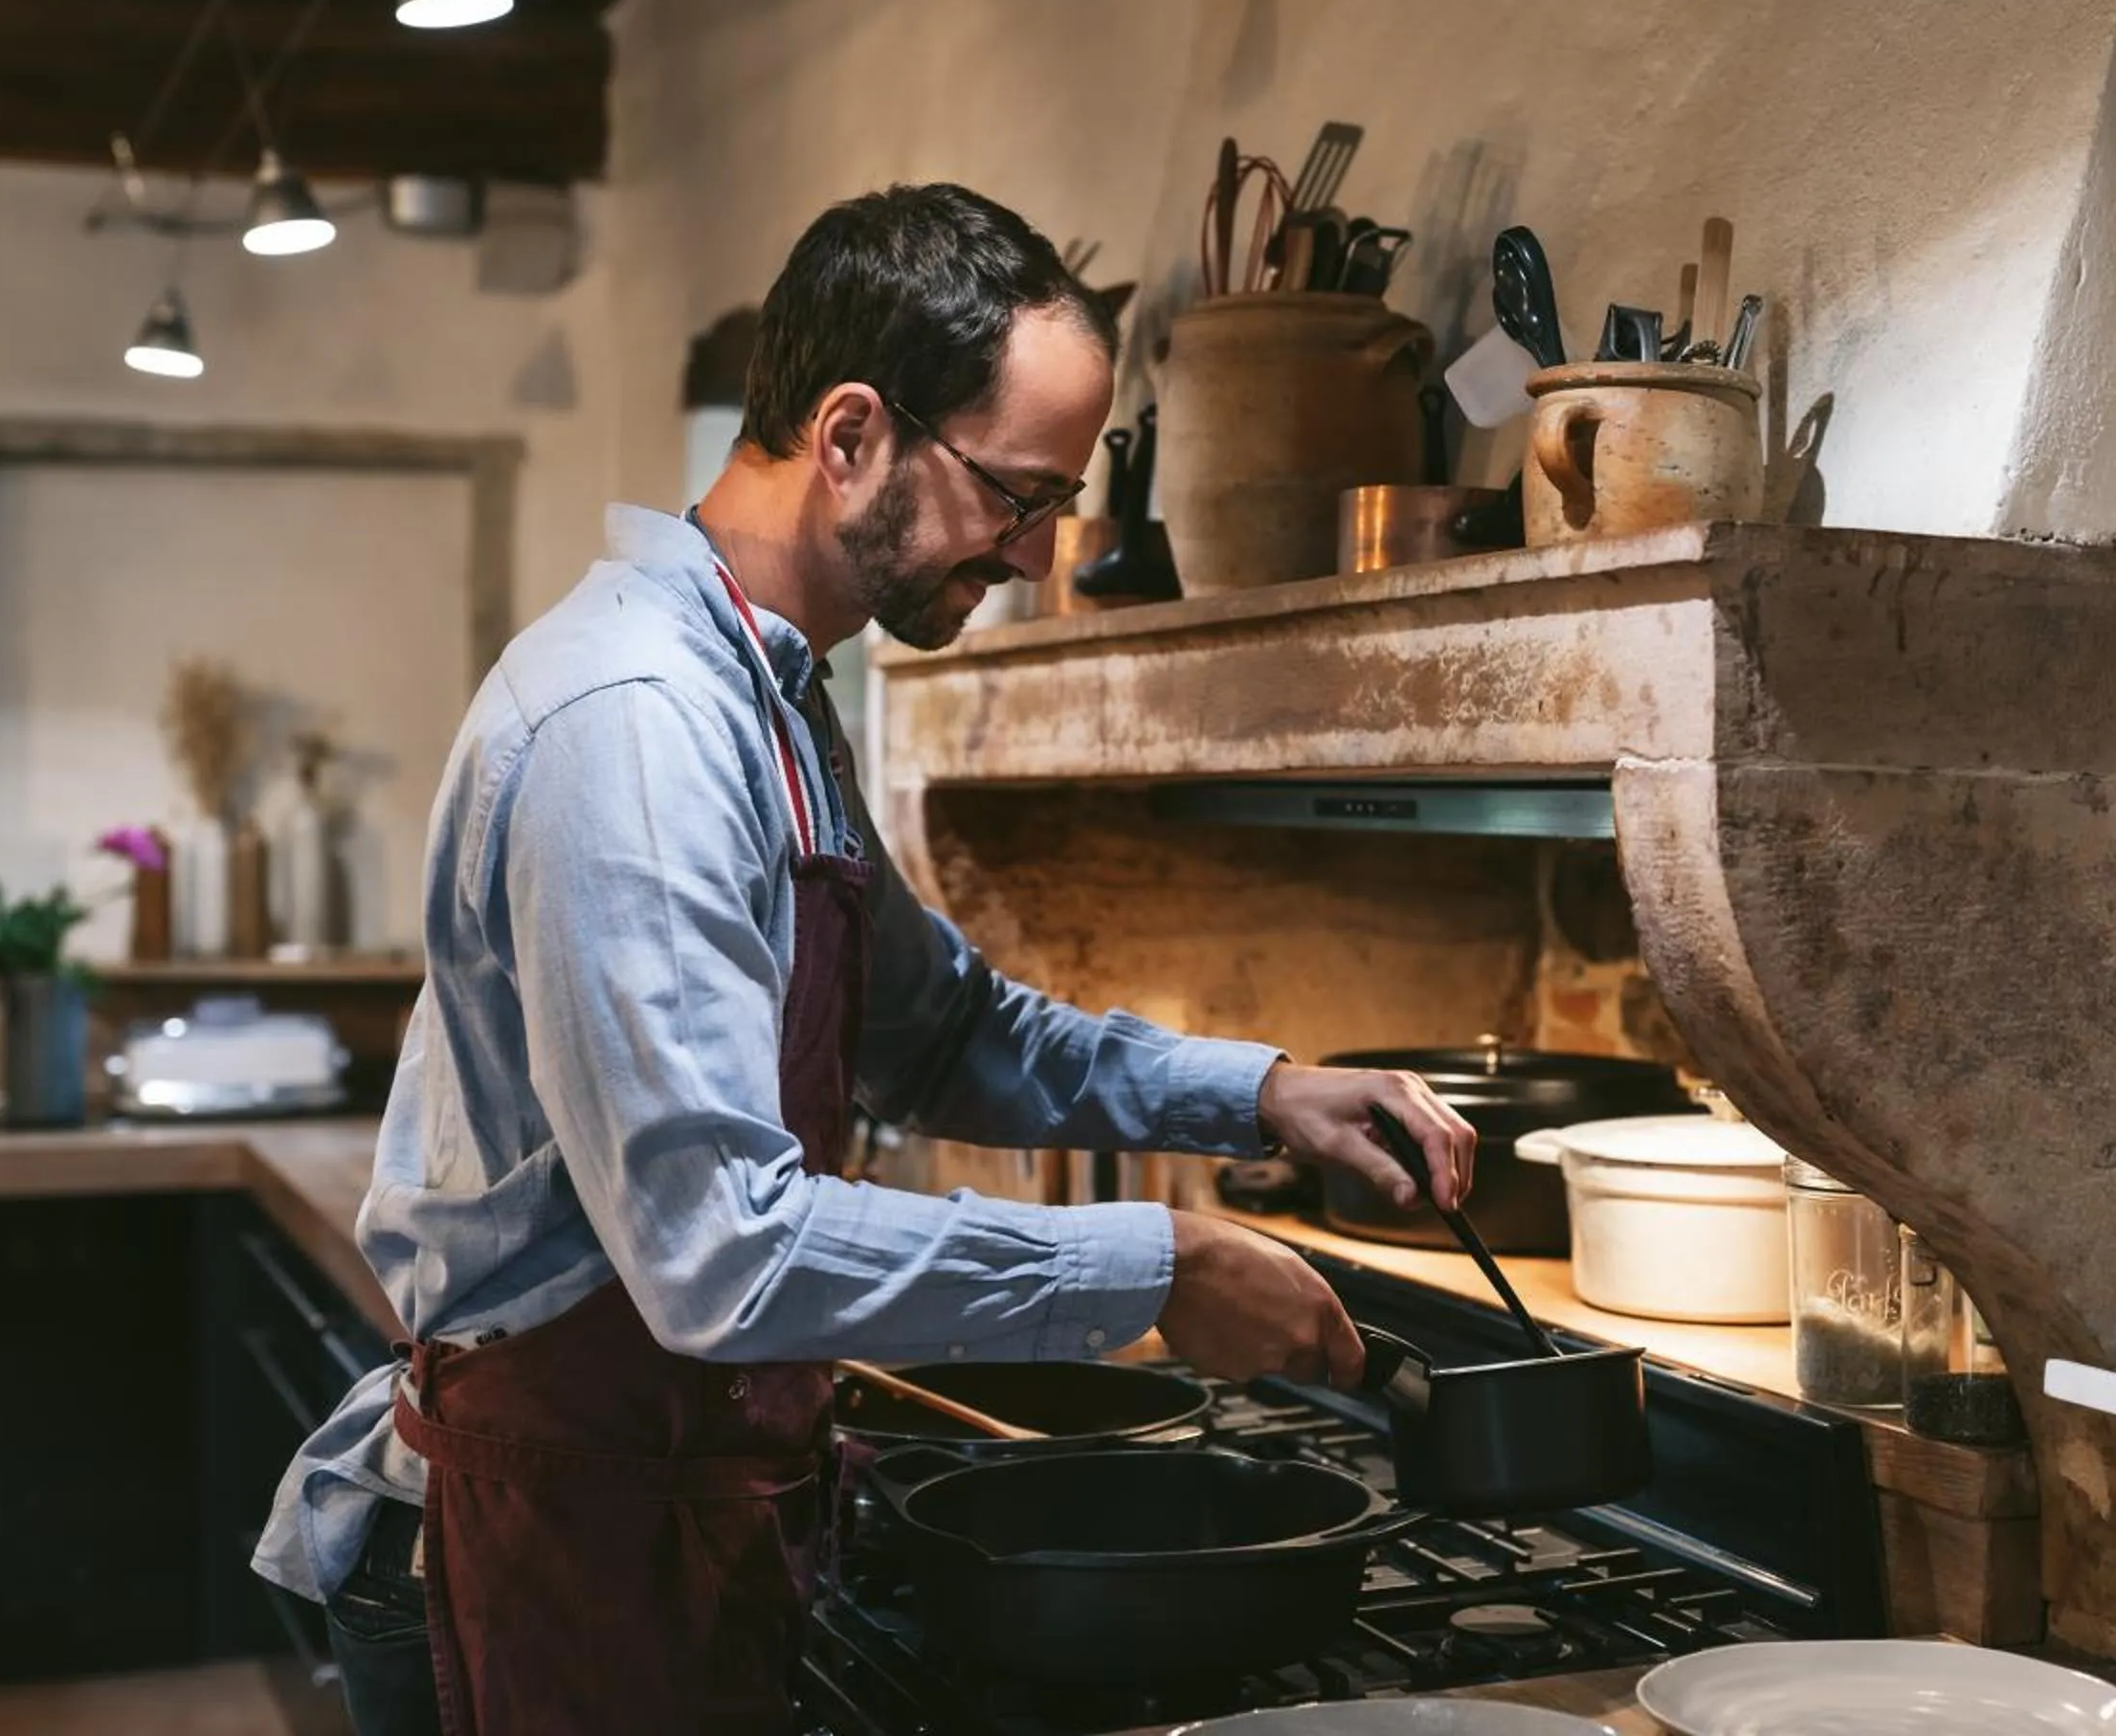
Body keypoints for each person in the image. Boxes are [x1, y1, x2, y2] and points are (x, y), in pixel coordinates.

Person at [252, 182, 1478, 1736]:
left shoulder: (770, 697)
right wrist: (1155, 1270)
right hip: (556, 1528)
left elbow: (944, 1030)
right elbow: (721, 1253)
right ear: (849, 437)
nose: (1036, 556)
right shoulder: (633, 724)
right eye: (1016, 498)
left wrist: (1260, 1095)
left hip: (677, 1501)